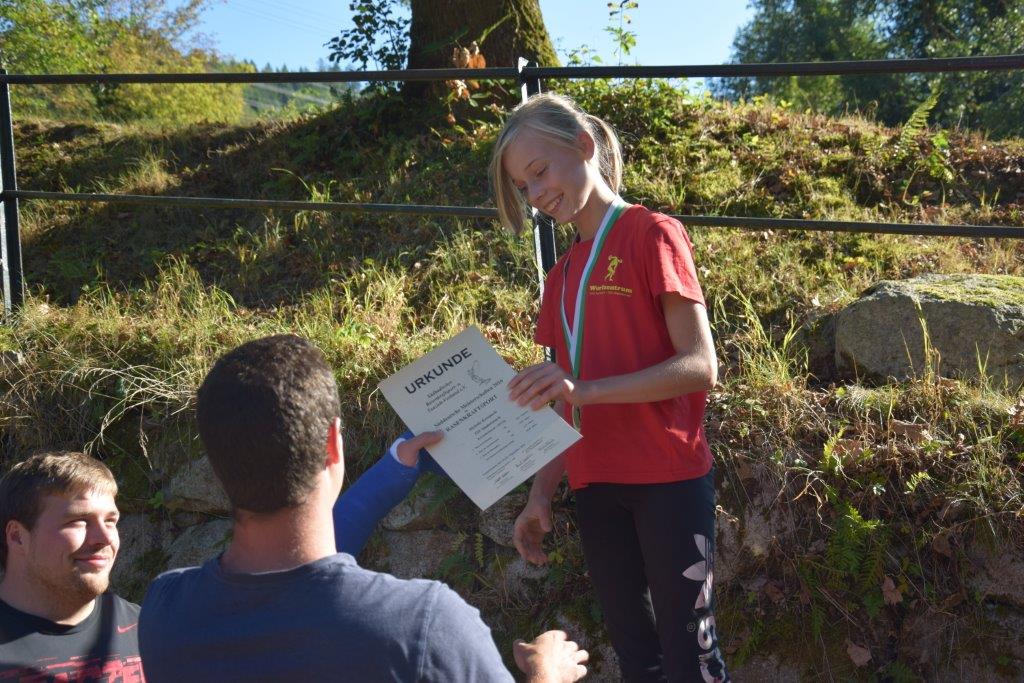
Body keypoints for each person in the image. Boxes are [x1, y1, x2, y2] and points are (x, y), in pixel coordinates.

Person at [139, 334, 588, 682]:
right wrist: (547, 672)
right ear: (335, 445)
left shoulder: (167, 608)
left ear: (215, 466)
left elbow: (306, 554)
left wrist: (395, 467)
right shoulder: (423, 624)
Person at [491, 92, 730, 682]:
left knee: (691, 662)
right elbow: (563, 402)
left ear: (584, 146)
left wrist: (583, 389)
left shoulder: (653, 233)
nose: (537, 193)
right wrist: (542, 494)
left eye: (540, 170)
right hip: (596, 485)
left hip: (669, 480)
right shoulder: (562, 275)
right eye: (524, 186)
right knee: (639, 662)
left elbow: (701, 365)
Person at [0, 451, 144, 680]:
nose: (105, 538)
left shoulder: (145, 629)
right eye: (79, 521)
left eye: (110, 521)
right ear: (17, 536)